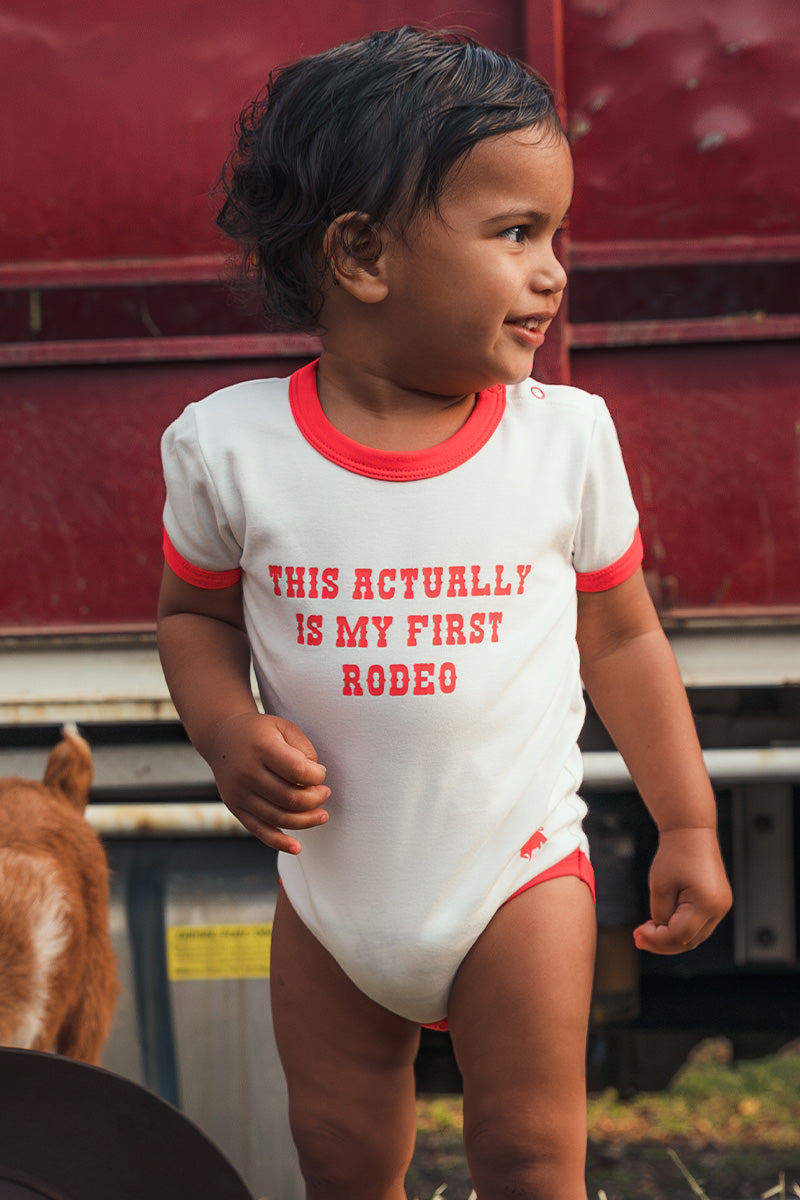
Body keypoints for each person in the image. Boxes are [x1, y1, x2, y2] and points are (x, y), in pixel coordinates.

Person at [157, 26, 732, 1200]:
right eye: (515, 233)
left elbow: (620, 637)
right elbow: (194, 622)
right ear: (361, 255)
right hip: (332, 892)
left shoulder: (563, 440)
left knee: (528, 1158)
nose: (552, 271)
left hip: (514, 871)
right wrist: (223, 732)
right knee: (343, 1159)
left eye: (554, 235)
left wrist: (687, 823)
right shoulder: (228, 447)